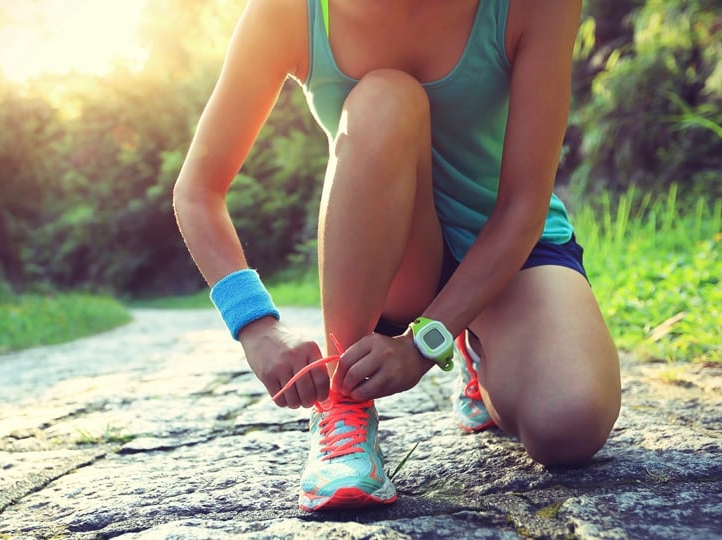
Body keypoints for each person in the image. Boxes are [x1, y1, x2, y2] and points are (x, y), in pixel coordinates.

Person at [173, 0, 622, 512]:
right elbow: (198, 190)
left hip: (508, 246)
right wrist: (254, 323)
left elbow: (523, 206)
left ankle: (472, 345)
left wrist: (424, 343)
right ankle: (343, 409)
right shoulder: (288, 11)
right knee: (386, 94)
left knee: (570, 423)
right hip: (400, 256)